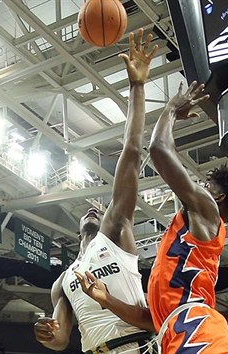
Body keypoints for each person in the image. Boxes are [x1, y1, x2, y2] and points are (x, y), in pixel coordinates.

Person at [78, 81, 228, 353]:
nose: (200, 187)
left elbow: (160, 150)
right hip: (177, 332)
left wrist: (172, 109)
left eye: (208, 186)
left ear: (219, 198)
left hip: (198, 330)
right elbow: (151, 320)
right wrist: (107, 299)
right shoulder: (196, 236)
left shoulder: (208, 211)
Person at [33, 28, 158, 354]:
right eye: (88, 210)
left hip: (138, 347)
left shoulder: (114, 232)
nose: (93, 210)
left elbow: (131, 153)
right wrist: (46, 333)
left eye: (99, 209)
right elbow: (60, 340)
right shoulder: (63, 281)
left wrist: (137, 87)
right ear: (76, 232)